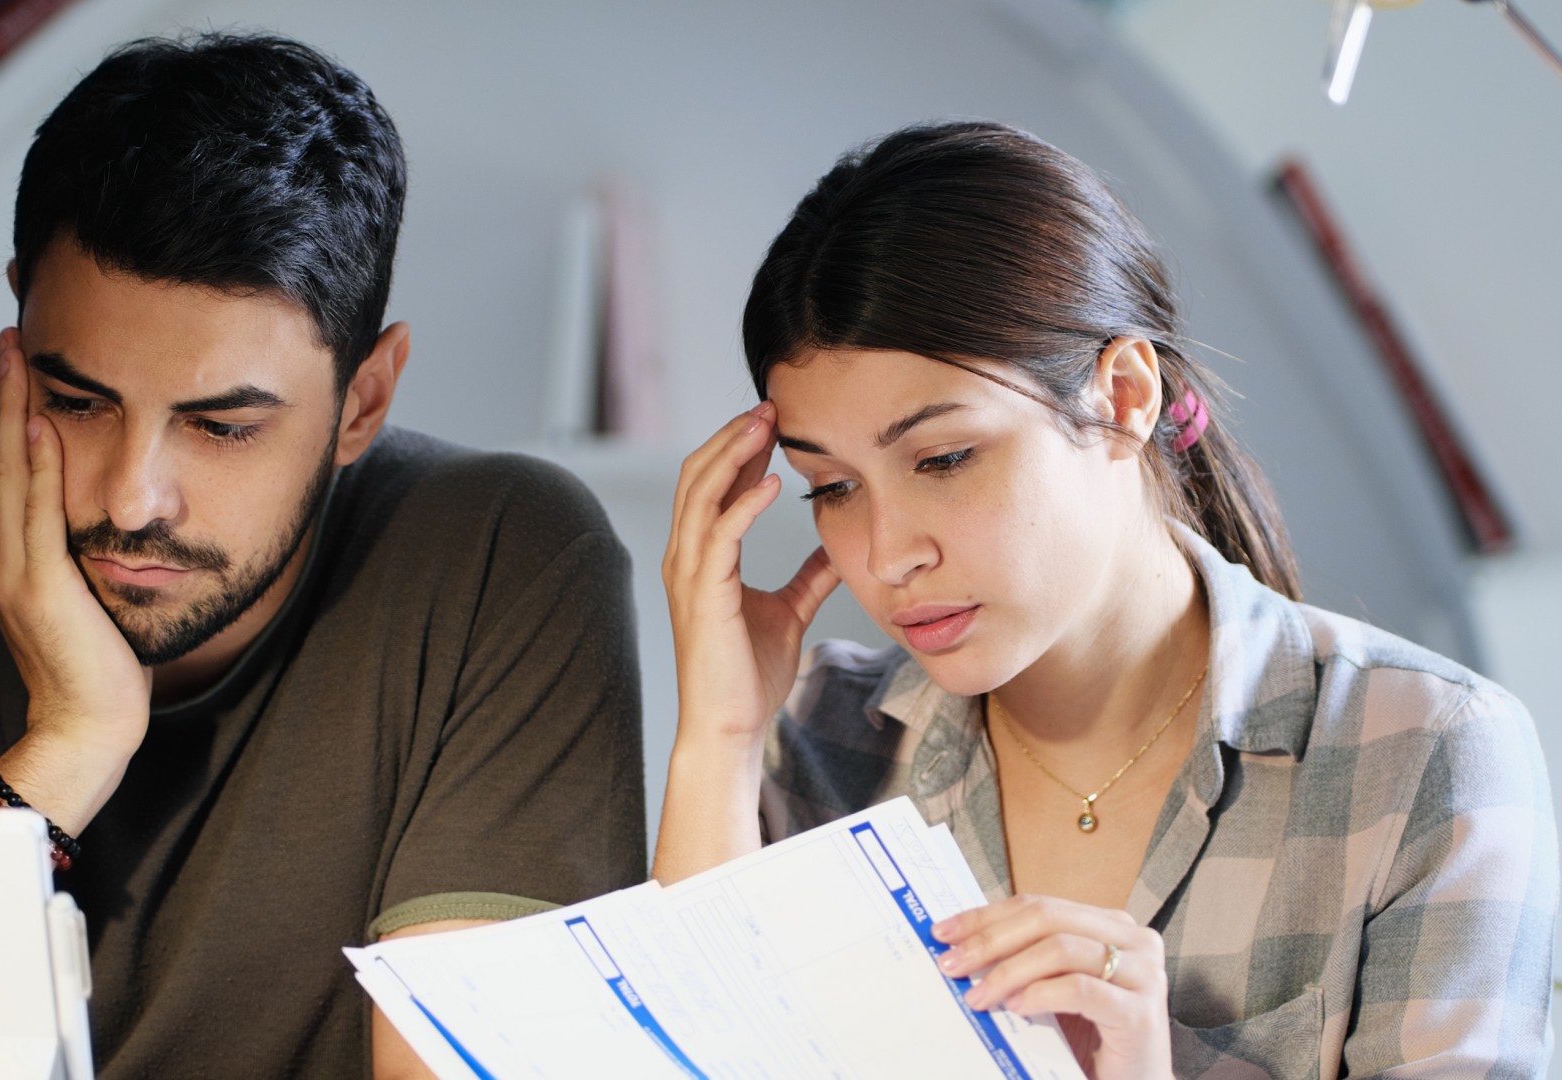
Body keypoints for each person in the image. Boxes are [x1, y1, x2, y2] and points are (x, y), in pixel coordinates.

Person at [0, 33, 646, 1079]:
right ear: (16, 335)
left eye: (222, 426)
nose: (134, 496)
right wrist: (67, 750)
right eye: (76, 402)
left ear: (366, 399)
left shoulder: (498, 559)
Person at [654, 120, 1555, 1078]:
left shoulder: (1422, 753)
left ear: (1123, 397)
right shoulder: (820, 742)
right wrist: (718, 737)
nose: (888, 555)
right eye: (832, 487)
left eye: (945, 458)